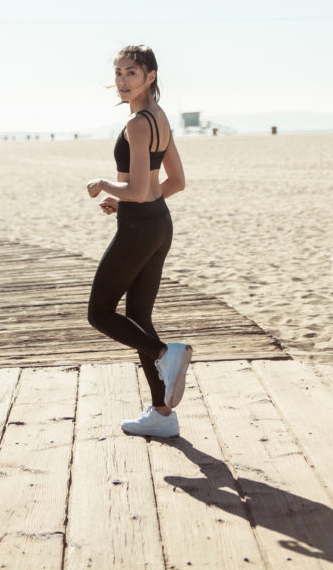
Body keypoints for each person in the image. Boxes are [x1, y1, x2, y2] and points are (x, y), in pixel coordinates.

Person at [87, 45, 191, 438]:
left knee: (99, 313)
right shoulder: (159, 118)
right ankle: (163, 415)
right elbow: (174, 183)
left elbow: (135, 187)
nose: (122, 81)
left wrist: (103, 186)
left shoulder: (135, 124)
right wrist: (130, 197)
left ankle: (167, 354)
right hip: (158, 224)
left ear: (151, 76)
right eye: (118, 73)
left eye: (132, 73)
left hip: (138, 230)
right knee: (139, 319)